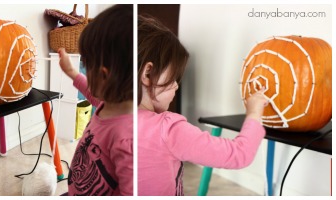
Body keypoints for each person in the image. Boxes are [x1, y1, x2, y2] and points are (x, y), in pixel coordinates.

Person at [137, 15, 269, 196]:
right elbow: (239, 154)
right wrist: (254, 113)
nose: (176, 85)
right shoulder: (168, 130)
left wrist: (81, 80)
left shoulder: (110, 111)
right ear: (148, 73)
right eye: (173, 77)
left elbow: (90, 91)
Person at [58, 4, 133, 195]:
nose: (84, 68)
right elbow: (91, 92)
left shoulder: (127, 139)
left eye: (85, 64)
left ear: (104, 75)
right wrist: (72, 72)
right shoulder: (109, 103)